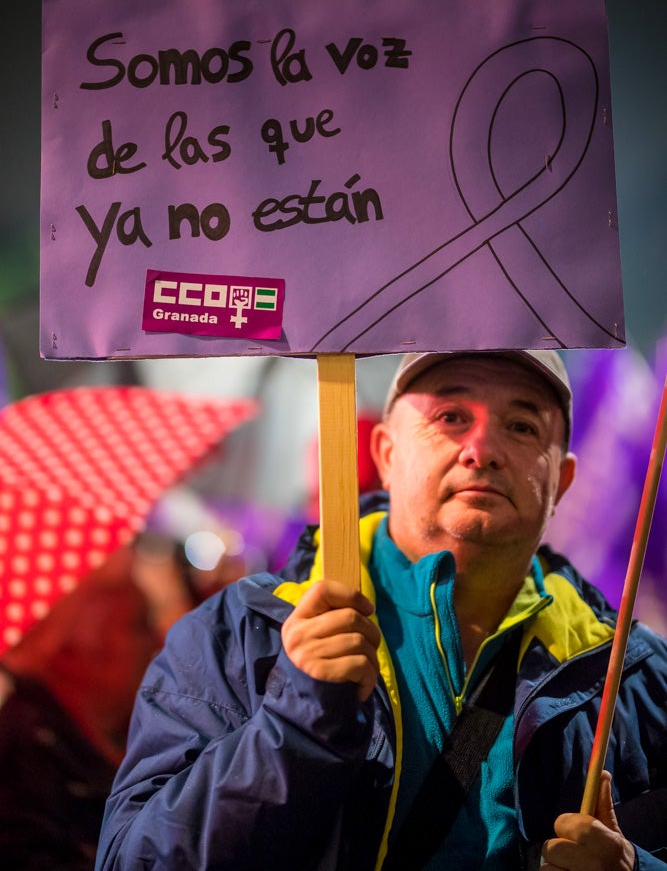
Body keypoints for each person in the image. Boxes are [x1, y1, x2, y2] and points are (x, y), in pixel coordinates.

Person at [94, 350, 667, 870]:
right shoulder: (241, 633)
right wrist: (296, 720)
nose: (483, 449)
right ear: (385, 454)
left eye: (521, 426)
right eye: (450, 417)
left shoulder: (632, 675)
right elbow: (136, 860)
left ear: (562, 479)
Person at [0, 537, 201, 870]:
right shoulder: (21, 757)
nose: (155, 641)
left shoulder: (67, 733)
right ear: (73, 647)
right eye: (138, 624)